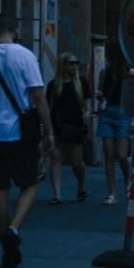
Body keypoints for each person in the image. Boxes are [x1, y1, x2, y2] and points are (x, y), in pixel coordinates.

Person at [0, 14, 54, 268]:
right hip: (18, 132)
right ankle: (13, 230)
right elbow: (38, 96)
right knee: (30, 184)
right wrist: (49, 130)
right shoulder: (25, 56)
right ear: (16, 30)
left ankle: (6, 246)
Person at [45, 53, 90, 205]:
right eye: (71, 63)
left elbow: (87, 104)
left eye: (76, 63)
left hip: (76, 126)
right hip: (57, 126)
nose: (75, 66)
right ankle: (57, 194)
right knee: (56, 159)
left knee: (76, 162)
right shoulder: (53, 85)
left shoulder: (82, 82)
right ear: (63, 65)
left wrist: (87, 114)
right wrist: (46, 128)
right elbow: (48, 107)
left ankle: (81, 184)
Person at [95, 45, 131, 206]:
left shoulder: (130, 74)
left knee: (122, 155)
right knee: (109, 155)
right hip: (108, 113)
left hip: (123, 114)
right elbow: (101, 92)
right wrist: (99, 95)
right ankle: (112, 193)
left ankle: (129, 183)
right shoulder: (105, 72)